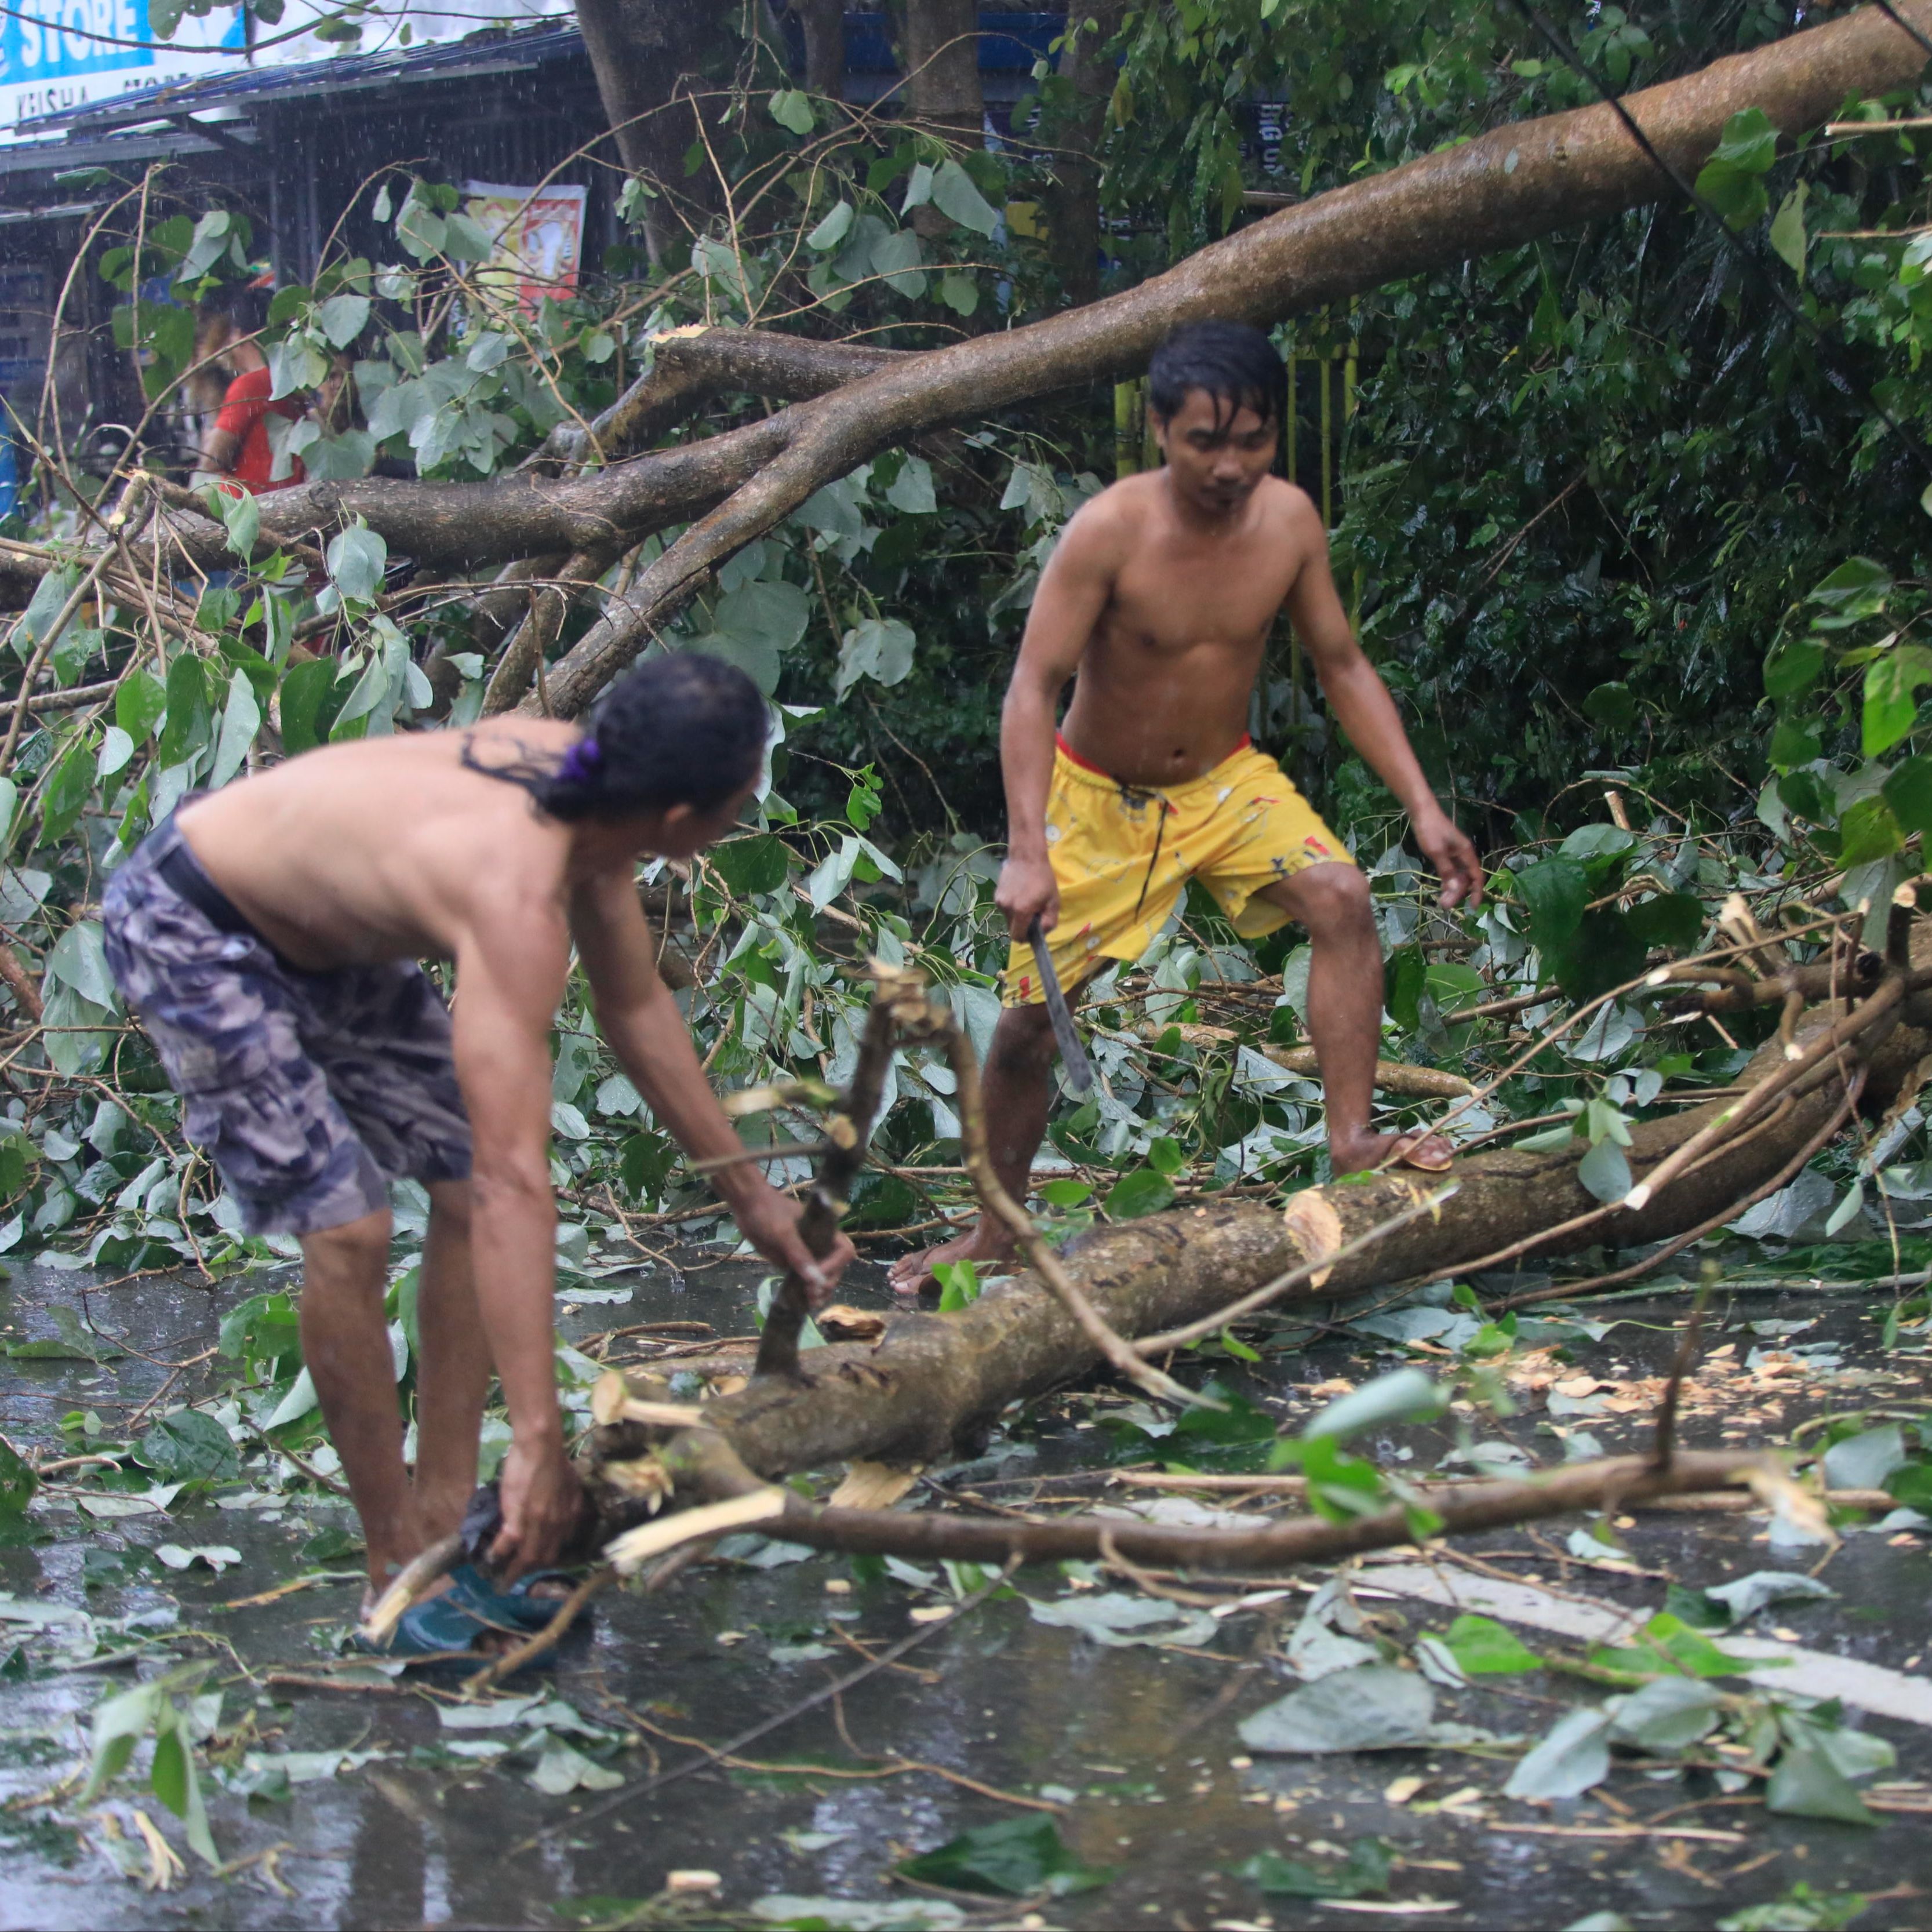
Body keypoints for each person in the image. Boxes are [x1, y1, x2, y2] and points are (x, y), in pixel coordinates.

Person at [103, 653, 852, 1656]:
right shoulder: (514, 888)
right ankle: (393, 1574)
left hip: (329, 938)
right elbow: (516, 1179)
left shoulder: (595, 794)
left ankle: (449, 1519)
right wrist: (538, 1440)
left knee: (451, 1181)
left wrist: (755, 1200)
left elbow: (635, 1006)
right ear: (681, 818)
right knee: (350, 1226)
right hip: (189, 919)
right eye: (736, 804)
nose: (738, 818)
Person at [890, 319, 1483, 1297]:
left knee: (1340, 894)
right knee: (1026, 1030)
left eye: (1250, 438)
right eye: (1206, 439)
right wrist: (1027, 850)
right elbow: (1031, 687)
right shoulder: (1108, 532)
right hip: (1093, 797)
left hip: (1224, 781)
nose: (1229, 463)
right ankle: (993, 1230)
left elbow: (1339, 662)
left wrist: (1421, 804)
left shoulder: (1289, 523)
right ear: (1159, 429)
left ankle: (1351, 1139)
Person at [195, 283, 305, 497]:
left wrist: (209, 436)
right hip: (287, 500)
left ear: (237, 335)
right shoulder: (293, 381)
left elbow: (211, 460)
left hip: (254, 508)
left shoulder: (250, 385)